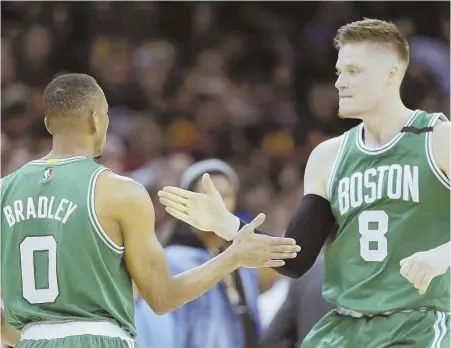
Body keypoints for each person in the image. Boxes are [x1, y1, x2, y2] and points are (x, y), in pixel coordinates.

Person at [158, 18, 450, 347]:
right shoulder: (330, 156)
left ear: (391, 74)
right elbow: (295, 259)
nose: (340, 83)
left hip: (416, 324)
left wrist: (445, 253)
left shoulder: (438, 140)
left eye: (354, 71)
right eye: (339, 72)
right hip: (346, 326)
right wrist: (224, 222)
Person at [0, 73, 301, 348]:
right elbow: (162, 298)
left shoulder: (4, 191)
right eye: (106, 117)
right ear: (95, 119)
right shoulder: (119, 191)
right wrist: (232, 256)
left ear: (49, 124)